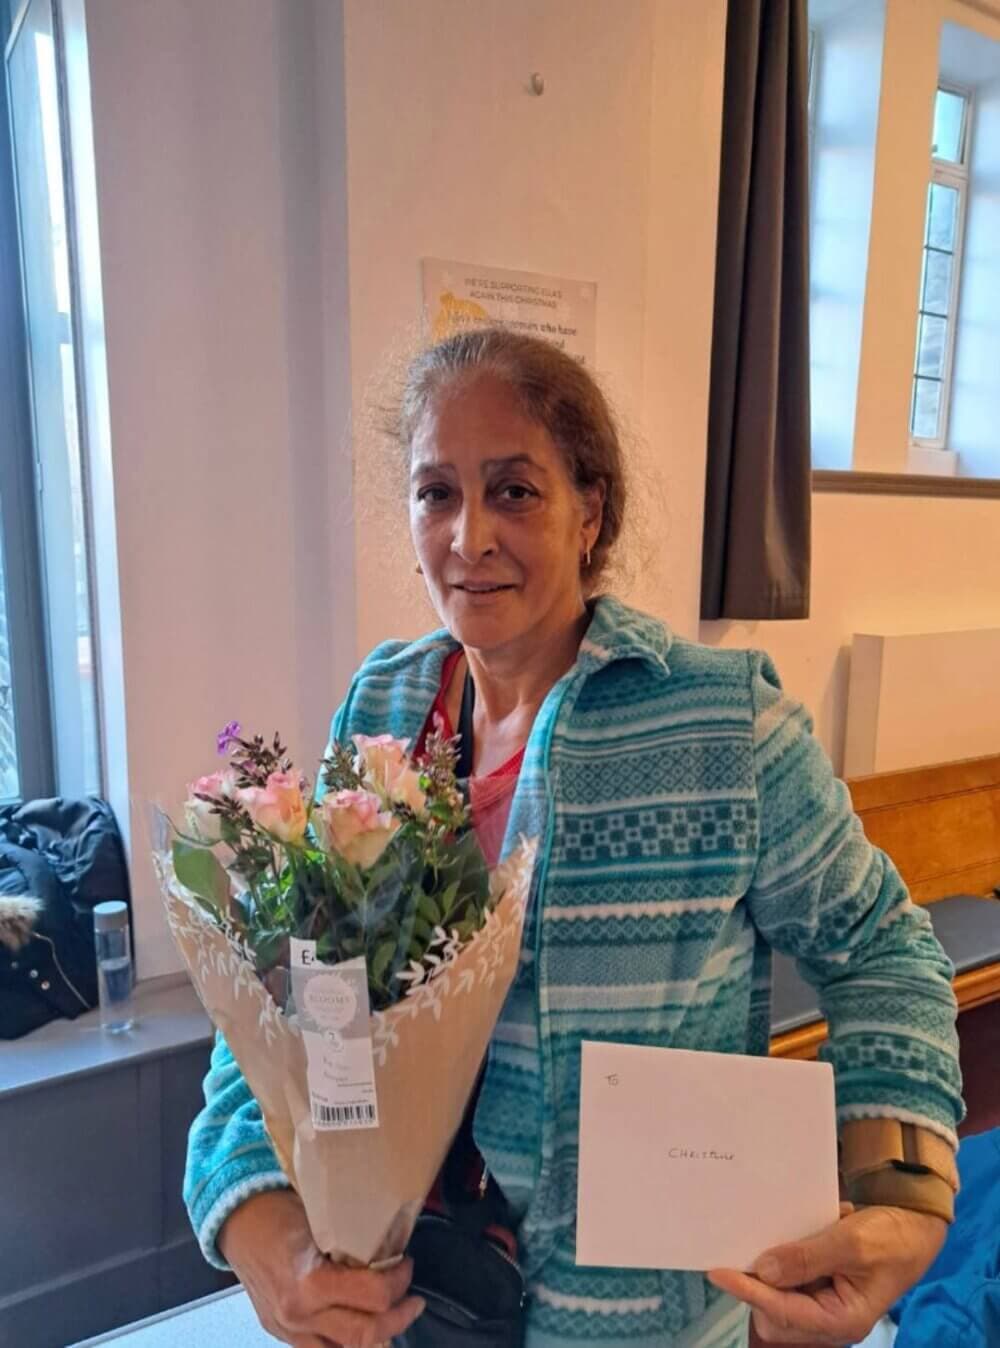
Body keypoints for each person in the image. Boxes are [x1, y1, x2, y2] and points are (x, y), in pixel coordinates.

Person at [185, 328, 963, 1348]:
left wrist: (904, 1192)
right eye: (435, 493)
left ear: (590, 509)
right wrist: (247, 1202)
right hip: (408, 1296)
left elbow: (879, 949)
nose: (468, 537)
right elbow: (289, 979)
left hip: (642, 1325)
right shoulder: (385, 702)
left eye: (513, 490)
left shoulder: (716, 720)